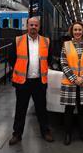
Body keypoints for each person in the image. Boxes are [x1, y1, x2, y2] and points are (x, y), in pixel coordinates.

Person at [8, 17, 54, 145]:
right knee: (20, 109)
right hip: (23, 81)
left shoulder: (46, 41)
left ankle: (45, 132)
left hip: (39, 82)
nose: (33, 27)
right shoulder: (18, 40)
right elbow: (11, 58)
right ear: (27, 26)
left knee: (41, 109)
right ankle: (17, 134)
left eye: (36, 25)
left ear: (39, 27)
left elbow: (49, 59)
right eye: (31, 25)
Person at [60, 21, 83, 145]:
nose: (77, 32)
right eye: (75, 30)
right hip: (70, 83)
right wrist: (74, 78)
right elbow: (63, 63)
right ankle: (68, 134)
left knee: (82, 111)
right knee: (68, 110)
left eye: (79, 30)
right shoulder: (67, 45)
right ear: (72, 31)